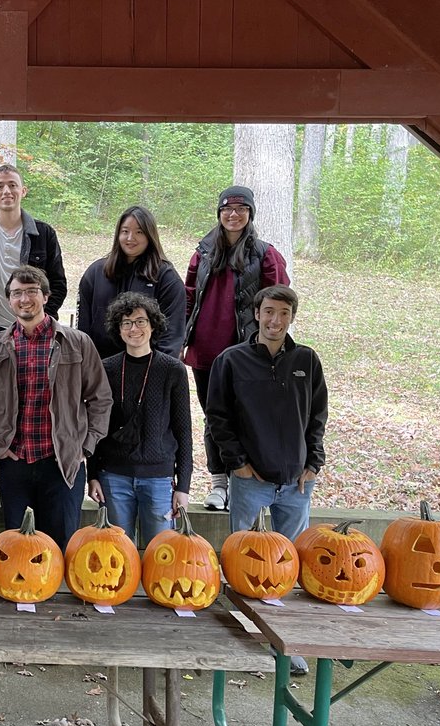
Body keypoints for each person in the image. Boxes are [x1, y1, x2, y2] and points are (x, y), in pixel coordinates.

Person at [205, 285, 325, 677]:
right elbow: (217, 418)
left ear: (292, 317)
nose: (275, 320)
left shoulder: (306, 360)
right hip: (251, 479)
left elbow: (317, 416)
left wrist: (314, 463)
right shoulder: (231, 361)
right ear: (256, 314)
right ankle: (246, 640)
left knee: (288, 569)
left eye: (284, 313)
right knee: (244, 565)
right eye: (269, 312)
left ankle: (287, 645)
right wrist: (237, 464)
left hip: (296, 483)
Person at [0, 265, 112, 551]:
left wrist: (85, 446)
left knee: (60, 548)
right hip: (14, 463)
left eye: (31, 291)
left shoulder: (77, 343)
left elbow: (100, 398)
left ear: (46, 296)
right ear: (9, 300)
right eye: (17, 293)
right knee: (17, 549)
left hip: (61, 462)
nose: (24, 299)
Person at [0, 164, 67, 499]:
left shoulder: (43, 233)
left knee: (27, 398)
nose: (6, 191)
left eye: (12, 185)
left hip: (31, 334)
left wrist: (41, 318)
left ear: (23, 191)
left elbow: (58, 283)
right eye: (0, 186)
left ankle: (25, 470)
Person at [183, 186, 290, 512]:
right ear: (219, 213)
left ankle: (242, 483)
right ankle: (219, 484)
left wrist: (269, 345)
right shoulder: (203, 252)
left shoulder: (265, 255)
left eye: (241, 209)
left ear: (250, 214)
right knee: (214, 418)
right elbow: (188, 297)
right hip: (206, 352)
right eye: (227, 209)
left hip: (247, 353)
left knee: (245, 417)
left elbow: (279, 300)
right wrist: (179, 339)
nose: (233, 214)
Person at [86, 292, 191, 546]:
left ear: (153, 325)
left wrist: (183, 486)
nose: (134, 329)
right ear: (119, 329)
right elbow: (96, 424)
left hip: (158, 478)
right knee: (118, 553)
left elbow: (183, 430)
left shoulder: (172, 370)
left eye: (140, 321)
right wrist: (93, 474)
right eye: (126, 323)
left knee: (161, 551)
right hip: (113, 476)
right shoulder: (106, 368)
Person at [78, 205, 185, 359]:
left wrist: (160, 368)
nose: (130, 238)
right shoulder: (96, 272)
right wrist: (85, 362)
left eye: (139, 232)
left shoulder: (166, 277)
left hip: (146, 365)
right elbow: (83, 327)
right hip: (99, 364)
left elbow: (172, 334)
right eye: (125, 231)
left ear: (150, 235)